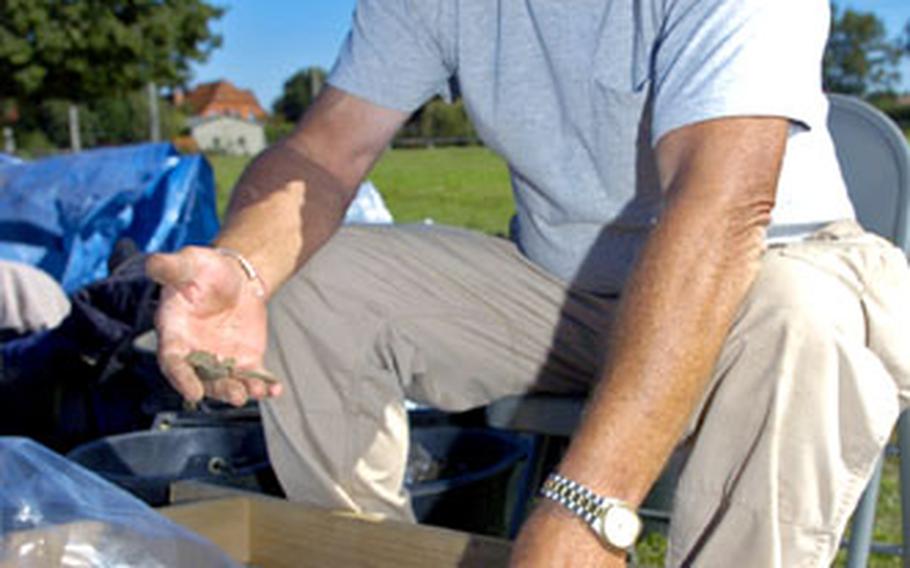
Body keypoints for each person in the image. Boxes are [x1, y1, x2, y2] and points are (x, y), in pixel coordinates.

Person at [148, 0, 910, 565]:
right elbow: (323, 154)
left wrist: (586, 509)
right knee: (317, 282)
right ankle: (369, 555)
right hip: (568, 290)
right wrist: (243, 266)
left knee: (800, 318)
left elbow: (720, 211)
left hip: (766, 270)